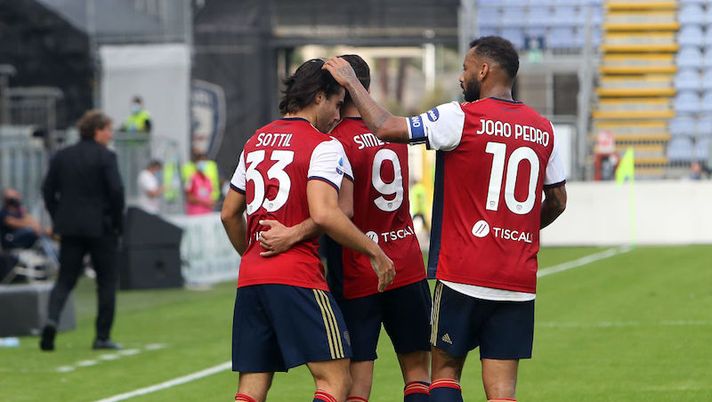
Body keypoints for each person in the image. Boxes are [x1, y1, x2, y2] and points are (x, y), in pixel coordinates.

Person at [324, 36, 568, 402]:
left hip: (463, 273)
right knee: (502, 391)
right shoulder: (543, 128)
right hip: (517, 276)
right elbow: (558, 200)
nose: (460, 77)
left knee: (445, 373)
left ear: (483, 71)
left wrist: (352, 82)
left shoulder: (461, 117)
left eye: (466, 69)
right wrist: (515, 231)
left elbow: (387, 127)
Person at [221, 58, 395, 402]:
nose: (337, 114)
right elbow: (327, 214)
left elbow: (228, 214)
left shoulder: (255, 140)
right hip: (297, 277)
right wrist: (375, 252)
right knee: (335, 380)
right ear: (319, 97)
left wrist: (252, 255)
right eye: (335, 104)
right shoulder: (324, 146)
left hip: (252, 278)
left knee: (251, 388)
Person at [259, 55, 431, 402]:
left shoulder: (333, 140)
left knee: (356, 384)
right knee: (417, 374)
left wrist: (292, 234)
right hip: (407, 265)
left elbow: (339, 211)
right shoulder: (391, 131)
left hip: (358, 271)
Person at [40, 109, 125, 351]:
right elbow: (116, 191)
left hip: (70, 229)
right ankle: (102, 336)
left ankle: (51, 321)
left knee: (65, 279)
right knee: (106, 282)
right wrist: (118, 223)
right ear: (97, 131)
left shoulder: (62, 156)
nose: (110, 135)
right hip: (102, 228)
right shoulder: (106, 157)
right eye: (108, 130)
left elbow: (47, 190)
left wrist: (58, 218)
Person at [0, 188, 58, 265]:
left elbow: (34, 223)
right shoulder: (4, 212)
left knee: (42, 238)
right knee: (33, 231)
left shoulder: (20, 212)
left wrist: (26, 218)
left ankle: (57, 261)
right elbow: (12, 223)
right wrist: (31, 226)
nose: (17, 198)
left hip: (26, 238)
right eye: (14, 196)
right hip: (10, 240)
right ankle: (56, 262)